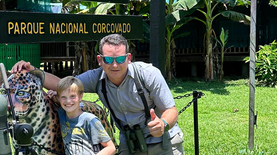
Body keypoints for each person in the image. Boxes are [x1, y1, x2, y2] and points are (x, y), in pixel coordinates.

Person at [12, 34, 184, 155]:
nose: (114, 65)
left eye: (120, 59)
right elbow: (63, 85)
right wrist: (33, 70)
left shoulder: (148, 74)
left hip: (163, 140)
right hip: (131, 143)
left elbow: (171, 110)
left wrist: (162, 123)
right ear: (100, 60)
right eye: (108, 59)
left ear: (129, 57)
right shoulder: (96, 78)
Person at [56, 76, 116, 155]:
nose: (68, 101)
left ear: (81, 96)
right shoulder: (61, 114)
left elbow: (111, 147)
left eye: (72, 96)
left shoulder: (90, 120)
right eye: (63, 97)